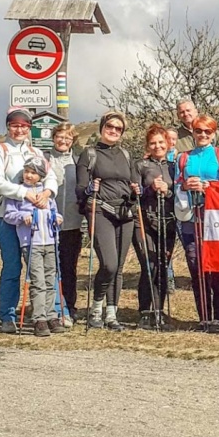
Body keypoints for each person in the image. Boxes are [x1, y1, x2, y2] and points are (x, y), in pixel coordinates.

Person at [0, 108, 57, 333]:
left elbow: (51, 177)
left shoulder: (36, 151)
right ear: (8, 126)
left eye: (24, 126)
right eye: (15, 125)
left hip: (36, 220)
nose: (19, 130)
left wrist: (46, 193)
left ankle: (47, 313)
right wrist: (24, 193)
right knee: (13, 267)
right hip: (8, 216)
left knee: (42, 270)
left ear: (29, 128)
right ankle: (7, 315)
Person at [77, 111, 140, 331]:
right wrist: (89, 189)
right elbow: (80, 189)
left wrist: (135, 193)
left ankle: (111, 314)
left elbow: (133, 184)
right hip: (100, 211)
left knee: (118, 268)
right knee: (109, 264)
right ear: (102, 127)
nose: (113, 131)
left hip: (125, 214)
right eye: (109, 126)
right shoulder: (89, 154)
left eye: (118, 128)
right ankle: (96, 309)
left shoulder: (126, 154)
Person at [173, 114, 219, 333]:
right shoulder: (183, 157)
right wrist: (185, 186)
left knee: (218, 268)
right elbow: (176, 184)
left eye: (208, 131)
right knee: (196, 267)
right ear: (193, 132)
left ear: (214, 134)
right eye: (199, 131)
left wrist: (211, 186)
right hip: (191, 218)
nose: (203, 135)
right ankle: (204, 316)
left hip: (215, 220)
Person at [3, 159, 65, 337]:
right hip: (31, 243)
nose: (29, 175)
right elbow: (9, 215)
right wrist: (23, 217)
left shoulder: (47, 194)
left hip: (50, 242)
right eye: (27, 171)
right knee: (38, 281)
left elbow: (53, 210)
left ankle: (51, 315)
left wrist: (58, 218)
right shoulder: (18, 192)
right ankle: (39, 318)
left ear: (41, 176)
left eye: (33, 172)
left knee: (50, 279)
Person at [135, 124, 176, 330]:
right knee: (149, 265)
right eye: (153, 143)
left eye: (161, 142)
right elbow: (134, 194)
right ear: (147, 146)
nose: (157, 146)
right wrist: (151, 188)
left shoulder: (175, 166)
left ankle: (159, 310)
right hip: (145, 221)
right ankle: (145, 311)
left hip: (168, 222)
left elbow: (179, 194)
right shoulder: (140, 165)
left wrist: (167, 190)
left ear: (168, 143)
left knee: (162, 266)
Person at [48, 121, 82, 325]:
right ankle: (51, 306)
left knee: (69, 268)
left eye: (68, 137)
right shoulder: (44, 159)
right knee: (50, 268)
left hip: (72, 223)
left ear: (73, 140)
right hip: (48, 224)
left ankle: (69, 305)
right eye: (60, 136)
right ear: (53, 138)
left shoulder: (78, 161)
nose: (63, 140)